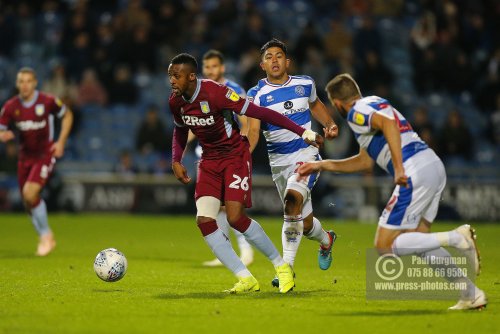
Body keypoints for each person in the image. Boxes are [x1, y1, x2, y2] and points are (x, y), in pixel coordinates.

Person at [298, 73, 487, 310]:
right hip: (432, 166)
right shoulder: (374, 104)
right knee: (420, 242)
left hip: (413, 171)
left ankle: (457, 237)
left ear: (337, 104)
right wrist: (321, 164)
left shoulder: (357, 112)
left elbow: (389, 125)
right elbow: (365, 162)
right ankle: (471, 294)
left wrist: (398, 167)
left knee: (385, 245)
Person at [168, 53, 322, 294]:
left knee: (235, 217)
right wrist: (176, 159)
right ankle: (245, 277)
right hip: (209, 161)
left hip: (234, 157)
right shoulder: (175, 102)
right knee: (204, 220)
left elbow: (261, 113)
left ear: (191, 76)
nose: (172, 81)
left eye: (176, 76)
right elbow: (179, 130)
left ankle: (281, 266)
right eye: (170, 76)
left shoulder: (216, 92)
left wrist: (302, 132)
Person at [246, 38, 339, 288]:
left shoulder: (304, 83)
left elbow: (316, 105)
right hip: (278, 162)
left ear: (287, 62)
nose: (274, 60)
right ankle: (326, 239)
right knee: (304, 224)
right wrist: (243, 156)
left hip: (306, 156)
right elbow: (253, 132)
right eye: (269, 57)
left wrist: (329, 124)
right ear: (262, 64)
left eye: (279, 56)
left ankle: (285, 269)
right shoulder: (256, 95)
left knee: (291, 202)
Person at [0, 67, 73, 256]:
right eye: (21, 81)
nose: (24, 85)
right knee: (27, 200)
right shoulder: (11, 106)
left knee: (29, 193)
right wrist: (3, 134)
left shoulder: (47, 102)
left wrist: (61, 142)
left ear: (35, 83)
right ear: (17, 84)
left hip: (44, 155)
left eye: (28, 81)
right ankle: (45, 236)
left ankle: (46, 236)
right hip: (24, 158)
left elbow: (67, 115)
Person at [198, 49, 255, 268]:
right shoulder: (201, 89)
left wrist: (244, 144)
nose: (210, 70)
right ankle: (227, 250)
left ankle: (245, 249)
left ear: (222, 68)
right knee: (217, 205)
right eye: (207, 67)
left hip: (232, 152)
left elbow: (247, 119)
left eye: (214, 66)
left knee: (231, 205)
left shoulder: (234, 89)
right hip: (211, 152)